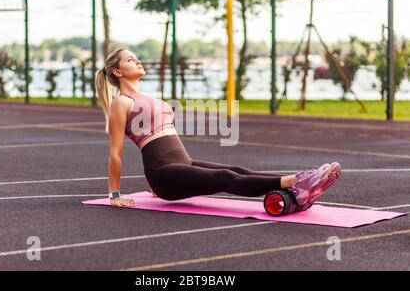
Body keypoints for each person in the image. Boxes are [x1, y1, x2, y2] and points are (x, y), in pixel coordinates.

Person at [95, 48, 342, 208]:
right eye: (130, 60)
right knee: (225, 178)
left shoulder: (148, 97)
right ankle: (297, 181)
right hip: (163, 173)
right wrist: (114, 196)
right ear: (118, 71)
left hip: (183, 164)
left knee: (235, 169)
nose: (137, 60)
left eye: (136, 57)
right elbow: (116, 153)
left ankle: (299, 187)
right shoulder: (122, 102)